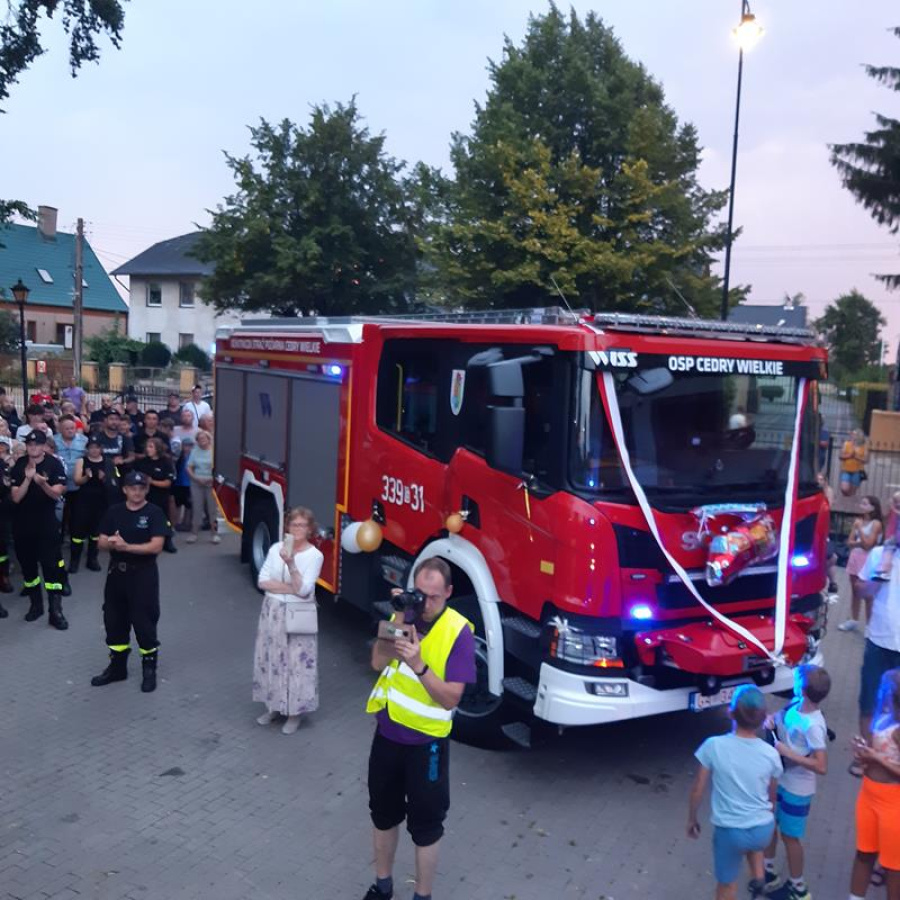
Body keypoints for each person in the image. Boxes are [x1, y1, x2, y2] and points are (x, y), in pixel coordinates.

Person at [364, 557, 477, 900]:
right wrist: (399, 615)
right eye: (419, 594)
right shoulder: (405, 615)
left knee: (426, 827)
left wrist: (418, 664)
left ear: (449, 592)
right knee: (383, 815)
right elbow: (378, 662)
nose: (425, 603)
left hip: (427, 746)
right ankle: (383, 886)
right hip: (388, 735)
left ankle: (422, 896)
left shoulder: (459, 631)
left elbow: (450, 698)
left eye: (434, 597)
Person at [687, 685, 784, 900]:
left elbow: (698, 789)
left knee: (727, 885)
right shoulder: (771, 754)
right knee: (753, 842)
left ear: (730, 713)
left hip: (730, 831)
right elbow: (772, 796)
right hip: (762, 830)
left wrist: (692, 819)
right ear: (762, 719)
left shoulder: (713, 746)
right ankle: (759, 878)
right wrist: (768, 818)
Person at [92, 470, 168, 693]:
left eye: (141, 488)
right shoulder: (114, 512)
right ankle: (117, 668)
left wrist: (127, 547)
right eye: (132, 488)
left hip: (143, 574)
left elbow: (156, 546)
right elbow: (101, 542)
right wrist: (112, 544)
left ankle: (149, 669)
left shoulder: (154, 513)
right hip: (116, 574)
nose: (137, 492)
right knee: (114, 620)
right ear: (125, 490)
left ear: (146, 490)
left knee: (144, 622)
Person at [762, 666, 831, 900]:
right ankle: (768, 872)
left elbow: (821, 766)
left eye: (796, 680)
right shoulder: (796, 705)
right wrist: (772, 722)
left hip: (798, 789)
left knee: (790, 837)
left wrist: (787, 752)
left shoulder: (814, 725)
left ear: (802, 689)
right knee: (770, 823)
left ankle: (799, 889)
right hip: (781, 779)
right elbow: (781, 719)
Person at [254, 507, 324, 735]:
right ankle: (273, 706)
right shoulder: (275, 548)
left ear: (310, 529)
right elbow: (262, 580)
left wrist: (292, 564)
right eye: (294, 525)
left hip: (298, 614)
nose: (297, 529)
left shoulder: (315, 556)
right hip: (273, 611)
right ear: (288, 527)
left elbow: (304, 591)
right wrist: (291, 588)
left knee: (296, 665)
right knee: (272, 659)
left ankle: (294, 714)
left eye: (302, 525)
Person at [847, 668, 900, 900]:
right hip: (868, 795)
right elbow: (877, 752)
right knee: (864, 853)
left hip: (892, 804)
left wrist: (876, 758)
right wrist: (863, 754)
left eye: (884, 689)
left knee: (893, 866)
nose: (880, 692)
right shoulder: (884, 718)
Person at [10, 429, 69, 629]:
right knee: (29, 569)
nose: (33, 447)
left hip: (46, 525)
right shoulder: (20, 465)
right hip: (23, 526)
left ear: (44, 446)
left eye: (37, 444)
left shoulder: (54, 464)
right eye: (29, 444)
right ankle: (36, 606)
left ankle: (55, 611)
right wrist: (28, 479)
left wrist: (42, 484)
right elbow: (16, 498)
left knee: (51, 569)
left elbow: (56, 494)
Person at [856, 548, 900, 745]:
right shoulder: (879, 554)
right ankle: (867, 753)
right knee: (869, 703)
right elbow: (860, 591)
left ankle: (891, 755)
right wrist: (880, 574)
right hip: (879, 641)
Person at [839, 496, 883, 632]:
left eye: (865, 504)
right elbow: (849, 542)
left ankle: (870, 625)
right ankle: (853, 619)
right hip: (855, 557)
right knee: (855, 590)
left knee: (867, 593)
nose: (861, 506)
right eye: (861, 503)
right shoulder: (859, 521)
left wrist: (860, 531)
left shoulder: (876, 524)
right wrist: (859, 542)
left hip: (868, 559)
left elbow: (869, 545)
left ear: (873, 507)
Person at [71, 436, 108, 572]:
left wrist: (104, 478)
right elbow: (76, 481)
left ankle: (92, 559)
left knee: (96, 532)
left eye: (97, 447)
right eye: (91, 447)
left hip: (100, 501)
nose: (94, 450)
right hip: (83, 500)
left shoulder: (107, 462)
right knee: (78, 532)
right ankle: (74, 560)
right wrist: (86, 477)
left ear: (101, 449)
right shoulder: (81, 461)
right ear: (87, 449)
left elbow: (114, 482)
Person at [135, 437, 177, 554]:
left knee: (164, 519)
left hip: (161, 496)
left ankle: (167, 541)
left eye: (151, 447)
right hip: (145, 496)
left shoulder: (166, 462)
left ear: (157, 448)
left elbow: (167, 482)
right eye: (147, 447)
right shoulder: (141, 462)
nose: (148, 449)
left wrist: (152, 481)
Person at [185, 429, 219, 544]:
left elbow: (219, 467)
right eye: (199, 439)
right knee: (197, 508)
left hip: (211, 482)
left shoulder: (214, 451)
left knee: (212, 510)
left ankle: (214, 534)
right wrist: (196, 478)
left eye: (204, 438)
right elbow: (189, 467)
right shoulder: (194, 451)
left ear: (208, 439)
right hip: (197, 482)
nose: (202, 441)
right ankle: (194, 533)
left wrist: (212, 479)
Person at [875, 490, 900, 581]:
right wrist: (889, 505)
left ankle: (885, 570)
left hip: (896, 538)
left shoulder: (896, 511)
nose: (898, 504)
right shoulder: (893, 510)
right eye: (896, 501)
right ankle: (884, 570)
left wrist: (893, 507)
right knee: (888, 550)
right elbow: (884, 514)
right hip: (893, 537)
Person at [840, 429, 869, 498]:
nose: (852, 435)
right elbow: (840, 456)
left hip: (857, 471)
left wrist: (856, 457)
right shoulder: (846, 444)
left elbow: (866, 460)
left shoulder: (864, 446)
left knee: (852, 492)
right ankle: (846, 498)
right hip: (846, 470)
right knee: (844, 489)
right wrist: (849, 456)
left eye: (854, 434)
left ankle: (848, 502)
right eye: (852, 434)